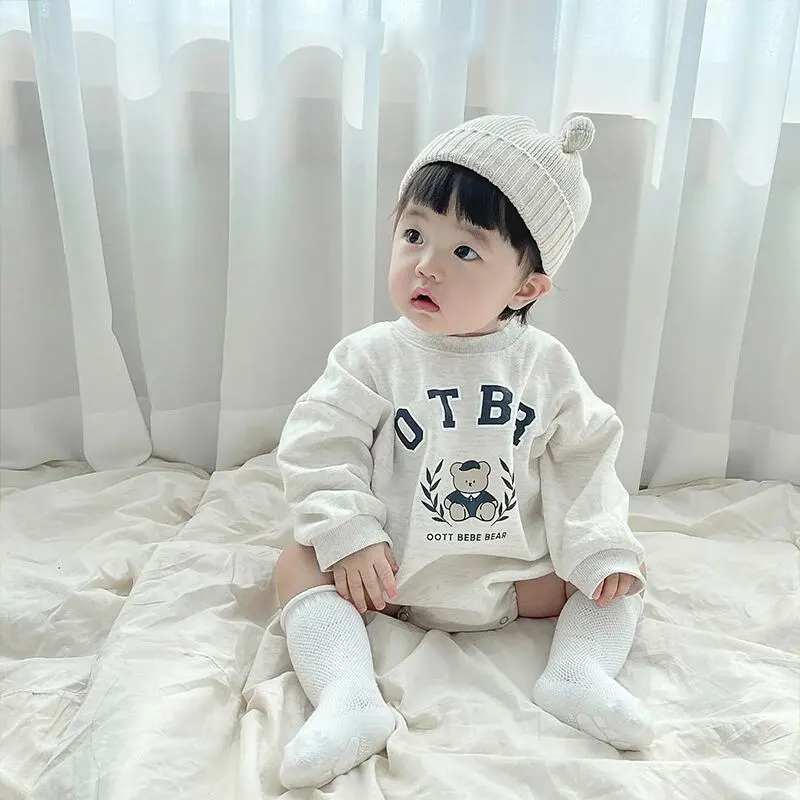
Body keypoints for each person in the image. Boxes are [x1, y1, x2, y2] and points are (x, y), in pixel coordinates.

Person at [274, 114, 654, 790]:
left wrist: (598, 548)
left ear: (525, 288)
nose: (426, 264)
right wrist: (350, 533)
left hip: (512, 580)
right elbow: (319, 444)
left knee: (620, 572)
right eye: (414, 235)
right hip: (387, 577)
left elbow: (586, 459)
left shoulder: (544, 366)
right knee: (298, 562)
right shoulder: (371, 357)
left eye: (465, 252)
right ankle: (348, 696)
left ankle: (579, 671)